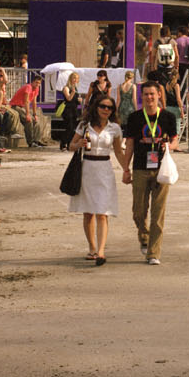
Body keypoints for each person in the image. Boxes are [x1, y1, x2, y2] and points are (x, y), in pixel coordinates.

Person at [123, 82, 180, 264]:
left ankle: (154, 253)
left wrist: (167, 146)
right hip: (140, 168)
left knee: (158, 212)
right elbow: (129, 144)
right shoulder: (134, 118)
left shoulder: (168, 117)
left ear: (158, 95)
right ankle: (144, 236)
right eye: (146, 94)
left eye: (152, 94)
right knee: (138, 211)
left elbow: (175, 142)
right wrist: (125, 169)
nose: (149, 98)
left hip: (161, 169)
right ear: (142, 97)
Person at [69, 95, 125, 264]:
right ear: (96, 107)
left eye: (110, 108)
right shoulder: (84, 125)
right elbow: (71, 145)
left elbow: (118, 151)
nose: (106, 110)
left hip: (105, 169)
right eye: (103, 106)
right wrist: (78, 145)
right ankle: (92, 248)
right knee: (88, 212)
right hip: (87, 168)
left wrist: (127, 169)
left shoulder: (114, 128)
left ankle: (101, 251)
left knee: (103, 212)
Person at [7, 75, 51, 148]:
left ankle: (36, 140)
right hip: (15, 106)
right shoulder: (28, 87)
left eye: (39, 83)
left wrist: (34, 114)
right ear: (32, 82)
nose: (38, 85)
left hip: (22, 107)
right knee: (29, 121)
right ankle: (30, 142)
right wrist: (27, 114)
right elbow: (26, 101)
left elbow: (34, 102)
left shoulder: (36, 89)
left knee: (36, 121)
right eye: (36, 83)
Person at [51, 71, 82, 147]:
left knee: (73, 128)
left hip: (74, 110)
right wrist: (73, 93)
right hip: (67, 110)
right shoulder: (66, 88)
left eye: (77, 78)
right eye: (74, 78)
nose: (75, 80)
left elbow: (75, 101)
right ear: (70, 79)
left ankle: (69, 144)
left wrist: (79, 100)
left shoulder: (76, 89)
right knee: (69, 127)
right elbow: (68, 98)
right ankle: (63, 142)